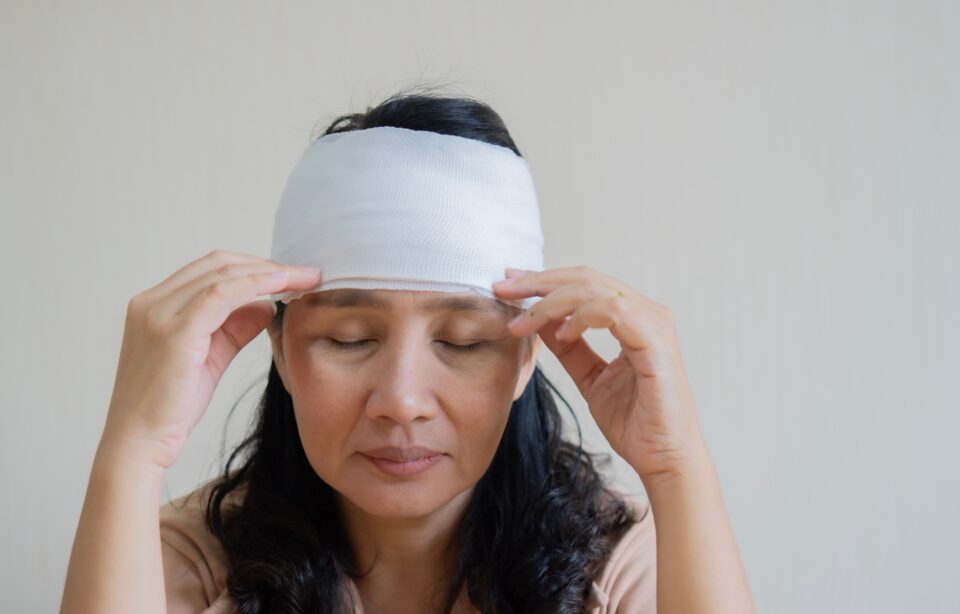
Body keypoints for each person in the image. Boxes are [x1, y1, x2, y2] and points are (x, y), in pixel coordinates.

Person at [59, 90, 756, 613]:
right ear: (282, 350)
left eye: (462, 342)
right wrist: (131, 452)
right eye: (350, 339)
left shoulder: (616, 564)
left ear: (524, 362)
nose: (401, 401)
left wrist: (676, 466)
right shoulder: (192, 562)